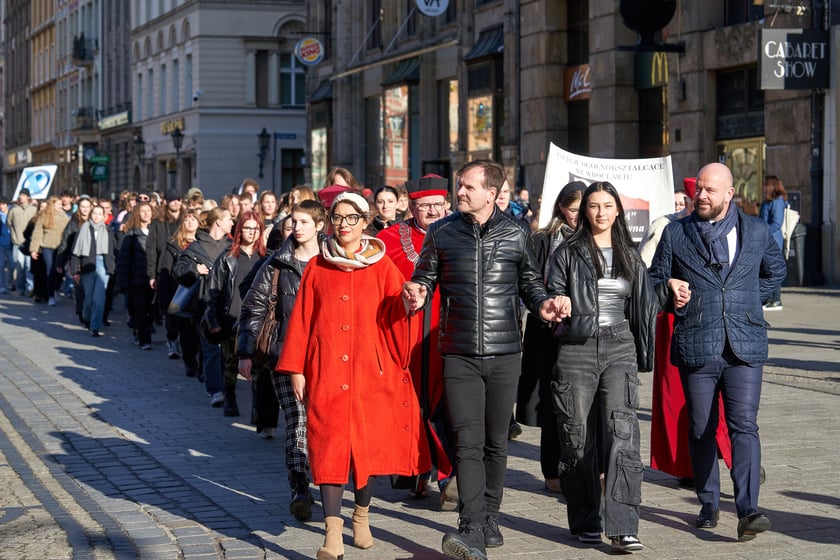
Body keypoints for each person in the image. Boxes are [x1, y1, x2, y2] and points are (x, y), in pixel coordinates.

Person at [403, 159, 562, 560]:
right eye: (459, 185)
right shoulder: (441, 232)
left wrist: (542, 304)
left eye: (468, 187)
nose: (460, 192)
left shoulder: (517, 232)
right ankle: (470, 526)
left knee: (495, 442)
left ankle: (491, 516)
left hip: (505, 352)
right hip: (459, 353)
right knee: (467, 442)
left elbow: (529, 282)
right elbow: (425, 276)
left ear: (491, 193)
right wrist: (417, 291)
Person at [276, 192, 425, 560]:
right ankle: (332, 534)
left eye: (351, 218)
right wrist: (296, 368)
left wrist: (408, 302)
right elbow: (302, 319)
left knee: (363, 451)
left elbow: (397, 312)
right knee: (327, 448)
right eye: (338, 218)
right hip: (326, 371)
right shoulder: (317, 265)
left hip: (370, 374)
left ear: (365, 221)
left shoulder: (382, 265)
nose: (343, 225)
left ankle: (361, 515)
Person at [649, 162, 786, 542]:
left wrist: (747, 301)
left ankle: (748, 509)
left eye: (710, 190)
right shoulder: (676, 232)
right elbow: (654, 278)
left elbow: (776, 271)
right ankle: (708, 502)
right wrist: (670, 288)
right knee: (701, 426)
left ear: (729, 193)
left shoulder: (756, 230)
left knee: (744, 425)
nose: (702, 195)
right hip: (697, 341)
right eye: (699, 189)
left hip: (745, 344)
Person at [545, 182, 656, 552]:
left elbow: (644, 301)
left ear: (618, 210)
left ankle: (623, 526)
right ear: (584, 211)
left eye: (608, 206)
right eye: (593, 206)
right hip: (575, 347)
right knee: (576, 439)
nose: (601, 213)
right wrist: (556, 303)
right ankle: (585, 519)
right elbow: (551, 293)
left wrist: (670, 289)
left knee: (622, 433)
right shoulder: (567, 251)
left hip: (618, 345)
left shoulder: (629, 254)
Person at [237, 199, 325, 520]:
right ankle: (300, 486)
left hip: (325, 356)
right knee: (297, 420)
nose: (296, 228)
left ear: (319, 225)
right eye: (293, 222)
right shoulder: (276, 263)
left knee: (321, 423)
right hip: (284, 355)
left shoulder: (333, 259)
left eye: (304, 222)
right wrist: (245, 353)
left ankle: (324, 479)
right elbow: (253, 308)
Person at [377, 175, 458, 509]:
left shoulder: (461, 233)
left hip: (450, 334)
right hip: (404, 339)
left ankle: (449, 475)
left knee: (447, 405)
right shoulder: (388, 239)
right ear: (411, 207)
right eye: (426, 206)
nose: (434, 211)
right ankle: (415, 470)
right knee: (410, 405)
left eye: (439, 205)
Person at [516, 180, 585, 494]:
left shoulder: (597, 239)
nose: (578, 215)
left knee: (582, 402)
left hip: (584, 331)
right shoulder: (542, 239)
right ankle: (552, 468)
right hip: (547, 330)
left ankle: (587, 467)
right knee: (550, 402)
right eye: (573, 209)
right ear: (561, 208)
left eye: (582, 209)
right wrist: (547, 302)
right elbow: (529, 280)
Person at [204, 211, 266, 417]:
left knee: (258, 368)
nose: (252, 232)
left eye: (256, 229)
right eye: (247, 228)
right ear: (239, 230)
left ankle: (257, 408)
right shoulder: (228, 258)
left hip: (257, 321)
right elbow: (213, 291)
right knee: (231, 364)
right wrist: (213, 318)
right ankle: (229, 398)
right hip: (232, 319)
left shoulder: (266, 257)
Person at [173, 208, 233, 406]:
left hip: (228, 306)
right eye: (229, 219)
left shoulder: (231, 247)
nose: (232, 223)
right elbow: (178, 271)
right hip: (204, 305)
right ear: (218, 222)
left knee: (226, 351)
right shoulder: (196, 247)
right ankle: (216, 390)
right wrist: (195, 269)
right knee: (211, 348)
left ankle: (224, 385)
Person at [161, 208, 204, 378]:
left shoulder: (204, 244)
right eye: (186, 219)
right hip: (181, 293)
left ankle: (202, 364)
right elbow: (167, 271)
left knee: (200, 332)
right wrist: (165, 300)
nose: (190, 222)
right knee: (186, 332)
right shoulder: (174, 245)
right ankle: (190, 362)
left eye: (193, 219)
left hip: (200, 294)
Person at [147, 191, 185, 359]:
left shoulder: (186, 221)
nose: (175, 202)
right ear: (166, 202)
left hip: (184, 271)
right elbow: (151, 249)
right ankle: (172, 340)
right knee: (170, 309)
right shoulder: (158, 223)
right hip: (164, 271)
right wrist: (151, 274)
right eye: (172, 200)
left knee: (183, 309)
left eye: (178, 199)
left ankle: (183, 341)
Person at [70, 205, 117, 336]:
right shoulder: (83, 229)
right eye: (94, 213)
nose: (96, 216)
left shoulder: (108, 231)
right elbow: (75, 253)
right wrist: (75, 271)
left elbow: (113, 251)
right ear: (91, 215)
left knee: (99, 299)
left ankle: (95, 327)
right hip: (87, 264)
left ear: (104, 216)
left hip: (103, 264)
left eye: (99, 214)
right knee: (89, 298)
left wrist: (112, 268)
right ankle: (86, 316)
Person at [116, 202, 155, 350]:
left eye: (148, 210)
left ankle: (140, 330)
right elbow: (124, 259)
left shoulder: (156, 232)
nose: (146, 213)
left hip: (153, 277)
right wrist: (123, 281)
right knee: (140, 309)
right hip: (137, 279)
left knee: (151, 310)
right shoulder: (132, 234)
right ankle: (144, 339)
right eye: (142, 211)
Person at [30, 195, 70, 305]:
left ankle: (56, 289)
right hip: (47, 247)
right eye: (58, 204)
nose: (61, 206)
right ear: (52, 205)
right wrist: (34, 249)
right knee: (50, 270)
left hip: (60, 249)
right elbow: (37, 233)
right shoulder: (44, 216)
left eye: (61, 204)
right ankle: (50, 295)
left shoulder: (65, 217)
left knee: (60, 272)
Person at [759, 175, 787, 310]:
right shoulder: (767, 202)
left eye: (765, 185)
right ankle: (767, 298)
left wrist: (762, 232)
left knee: (772, 270)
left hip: (773, 241)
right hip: (765, 239)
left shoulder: (777, 202)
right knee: (765, 269)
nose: (763, 187)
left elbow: (777, 222)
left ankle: (775, 300)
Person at [7, 188, 37, 295]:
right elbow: (8, 223)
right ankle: (21, 289)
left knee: (29, 267)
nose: (21, 197)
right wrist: (14, 235)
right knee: (19, 267)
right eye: (20, 195)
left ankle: (30, 288)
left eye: (23, 195)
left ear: (28, 197)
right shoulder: (14, 210)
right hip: (18, 243)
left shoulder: (34, 210)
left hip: (29, 243)